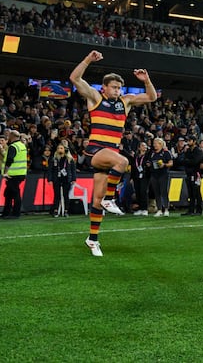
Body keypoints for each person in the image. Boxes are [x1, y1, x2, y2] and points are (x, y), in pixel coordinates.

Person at [69, 50, 158, 257]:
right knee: (123, 161)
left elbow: (152, 97)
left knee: (96, 201)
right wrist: (87, 59)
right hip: (96, 151)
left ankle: (92, 239)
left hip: (109, 154)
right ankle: (111, 197)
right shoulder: (94, 97)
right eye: (114, 87)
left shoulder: (125, 102)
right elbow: (74, 78)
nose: (118, 90)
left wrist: (147, 80)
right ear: (104, 87)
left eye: (119, 87)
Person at [0, 130, 27, 219]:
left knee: (15, 194)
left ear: (12, 136)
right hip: (21, 173)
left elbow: (10, 160)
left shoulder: (13, 146)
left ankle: (15, 213)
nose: (8, 137)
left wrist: (5, 172)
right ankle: (6, 212)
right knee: (8, 194)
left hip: (13, 174)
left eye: (9, 135)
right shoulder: (22, 145)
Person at [177, 136, 203, 216]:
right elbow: (181, 161)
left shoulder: (198, 151)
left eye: (189, 140)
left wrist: (187, 161)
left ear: (194, 141)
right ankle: (191, 210)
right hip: (189, 173)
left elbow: (195, 162)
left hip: (196, 174)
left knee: (197, 192)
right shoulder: (188, 151)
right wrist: (187, 161)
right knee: (191, 193)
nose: (188, 142)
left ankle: (199, 210)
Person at [48, 143, 77, 217]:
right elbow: (50, 170)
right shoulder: (54, 159)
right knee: (56, 195)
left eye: (61, 148)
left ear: (65, 150)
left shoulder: (69, 159)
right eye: (58, 148)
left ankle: (66, 210)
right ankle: (55, 210)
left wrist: (73, 179)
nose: (59, 150)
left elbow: (73, 170)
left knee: (66, 195)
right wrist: (50, 179)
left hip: (66, 179)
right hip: (56, 179)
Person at [147, 137, 173, 216]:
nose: (154, 145)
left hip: (163, 174)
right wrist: (149, 164)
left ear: (160, 144)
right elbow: (149, 161)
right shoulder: (152, 153)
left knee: (163, 192)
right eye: (154, 143)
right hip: (154, 174)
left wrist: (164, 165)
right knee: (157, 193)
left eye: (156, 143)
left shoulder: (166, 153)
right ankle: (159, 209)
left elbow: (171, 163)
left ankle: (166, 209)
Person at [131, 141, 150, 216]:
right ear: (139, 147)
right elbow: (133, 167)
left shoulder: (148, 155)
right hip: (136, 176)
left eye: (145, 145)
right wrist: (131, 177)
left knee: (143, 192)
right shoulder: (136, 156)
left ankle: (145, 209)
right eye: (142, 145)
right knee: (138, 192)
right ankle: (140, 208)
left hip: (145, 176)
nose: (144, 147)